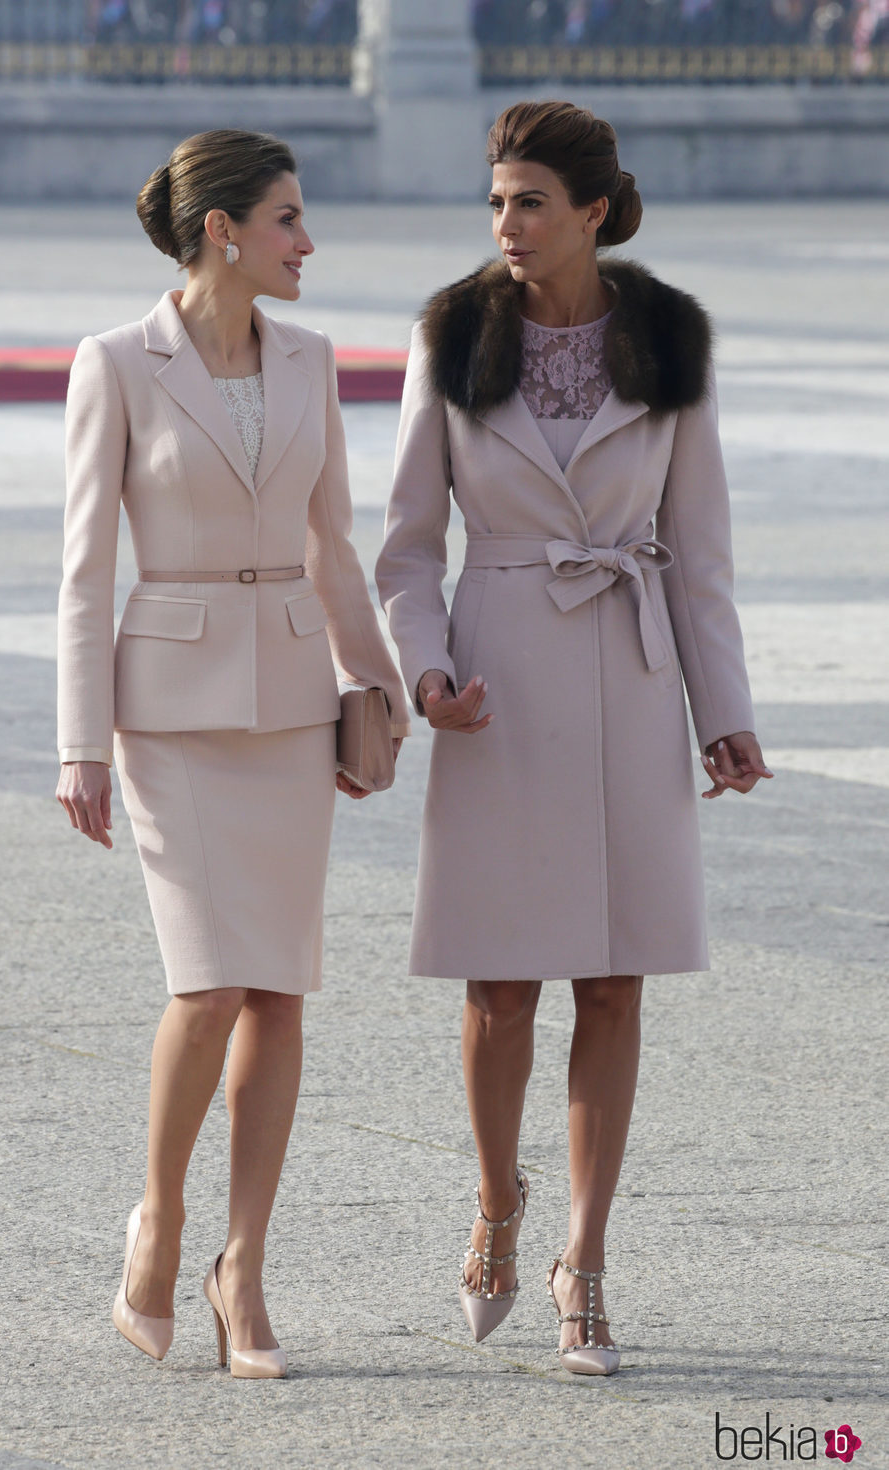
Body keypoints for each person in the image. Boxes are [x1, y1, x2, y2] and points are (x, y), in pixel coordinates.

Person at [376, 100, 771, 1375]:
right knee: (500, 991)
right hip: (493, 686)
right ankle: (498, 1206)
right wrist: (427, 672)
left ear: (593, 210)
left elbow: (701, 552)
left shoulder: (666, 338)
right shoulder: (449, 334)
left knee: (612, 982)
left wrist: (727, 718)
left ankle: (582, 1268)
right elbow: (402, 549)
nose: (504, 224)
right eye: (493, 201)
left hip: (628, 675)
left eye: (528, 201)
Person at [56, 128, 408, 1379]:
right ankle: (159, 1224)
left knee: (278, 990)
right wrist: (75, 744)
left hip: (292, 705)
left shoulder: (311, 360)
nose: (307, 244)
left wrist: (385, 679)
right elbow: (83, 571)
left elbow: (334, 545)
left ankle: (242, 1272)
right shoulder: (114, 363)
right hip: (168, 713)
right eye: (288, 220)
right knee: (207, 987)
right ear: (223, 231)